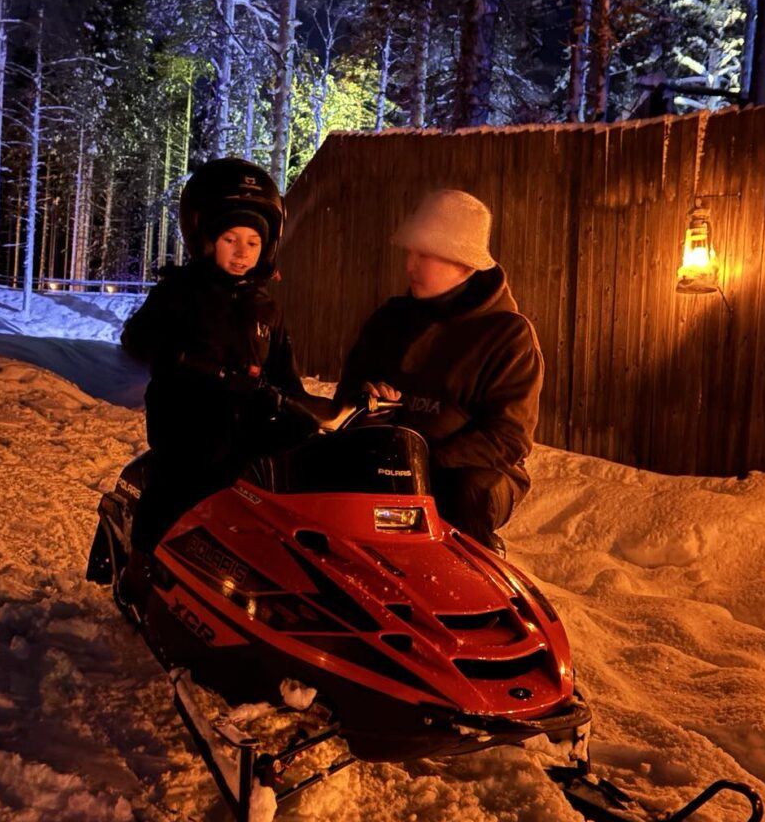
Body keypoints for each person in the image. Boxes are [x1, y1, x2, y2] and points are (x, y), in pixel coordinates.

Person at [120, 157, 312, 573]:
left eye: (253, 243)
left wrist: (309, 412)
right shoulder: (182, 292)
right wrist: (177, 355)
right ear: (206, 239)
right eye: (230, 239)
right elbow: (137, 338)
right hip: (188, 414)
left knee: (299, 464)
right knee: (185, 472)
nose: (242, 253)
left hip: (249, 418)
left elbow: (284, 371)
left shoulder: (266, 307)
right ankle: (143, 559)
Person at [335, 188, 543, 554]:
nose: (409, 265)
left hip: (467, 473)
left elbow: (509, 437)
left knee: (465, 491)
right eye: (410, 253)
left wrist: (427, 461)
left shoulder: (507, 335)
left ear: (464, 264)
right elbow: (347, 396)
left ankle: (471, 580)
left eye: (425, 255)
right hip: (385, 457)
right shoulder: (389, 321)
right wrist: (367, 403)